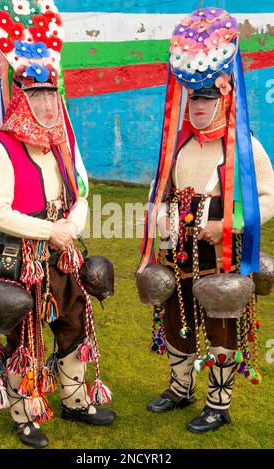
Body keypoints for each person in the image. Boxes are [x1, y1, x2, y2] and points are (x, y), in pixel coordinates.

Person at [0, 0, 116, 449]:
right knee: (23, 332)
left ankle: (75, 400)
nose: (47, 104)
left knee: (73, 320)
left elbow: (83, 192)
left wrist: (71, 225)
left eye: (51, 96)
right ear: (20, 97)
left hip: (61, 254)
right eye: (36, 96)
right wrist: (48, 231)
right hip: (19, 261)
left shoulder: (61, 144)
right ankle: (24, 413)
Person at [139, 7, 274, 433]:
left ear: (225, 95)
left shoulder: (246, 147)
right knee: (177, 323)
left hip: (221, 258)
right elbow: (158, 190)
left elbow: (269, 197)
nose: (198, 106)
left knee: (220, 327)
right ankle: (181, 389)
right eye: (193, 98)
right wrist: (159, 214)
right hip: (179, 255)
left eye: (206, 98)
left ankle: (219, 404)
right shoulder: (178, 146)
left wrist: (230, 224)